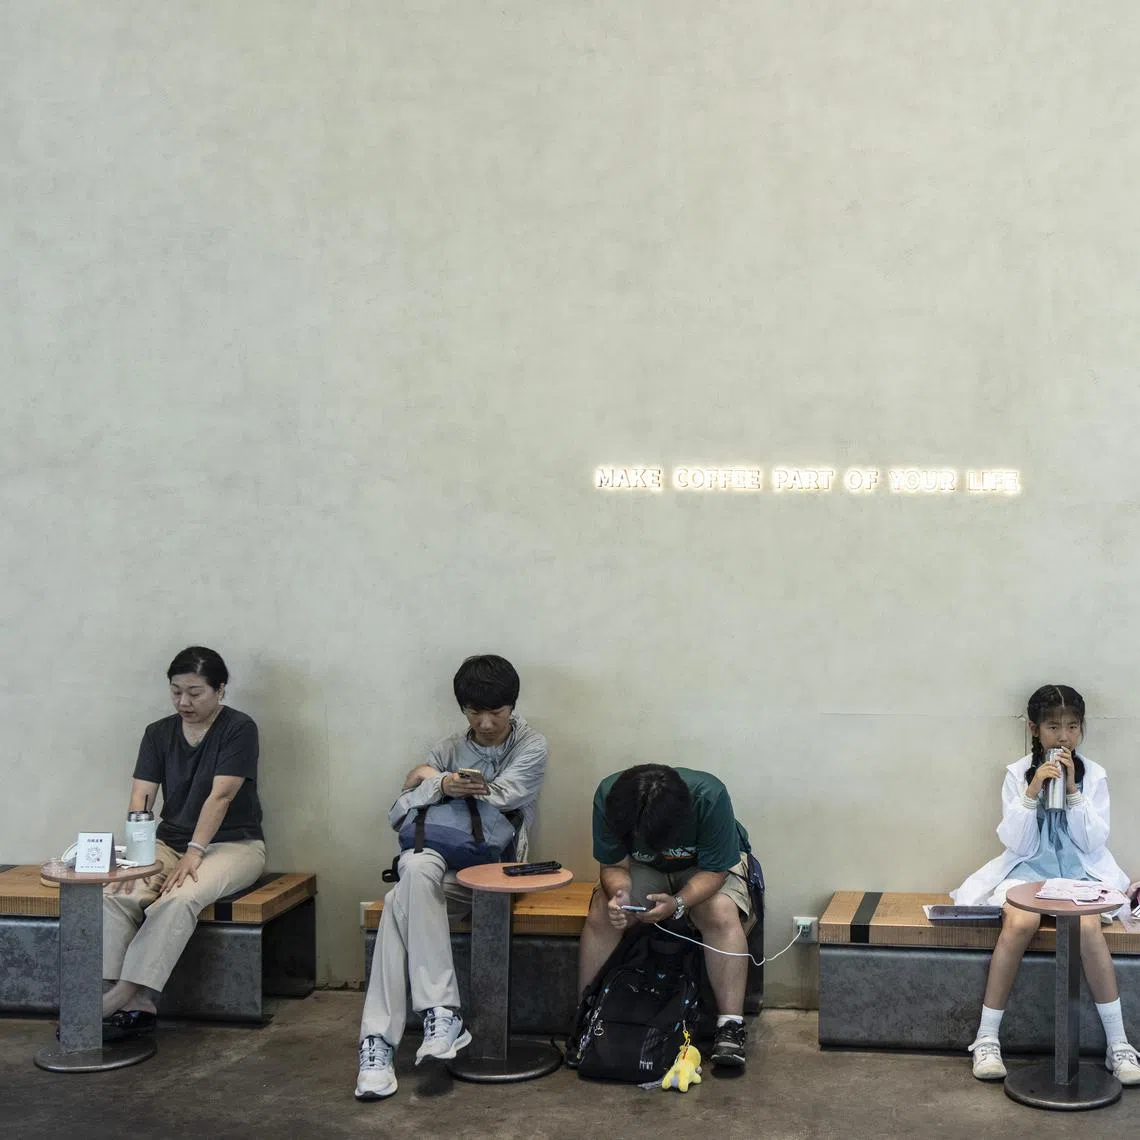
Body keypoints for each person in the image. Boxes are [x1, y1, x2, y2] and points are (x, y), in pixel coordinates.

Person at [355, 654, 547, 1101]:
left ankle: (378, 1043)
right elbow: (398, 812)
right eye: (473, 712)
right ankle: (440, 1012)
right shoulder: (446, 747)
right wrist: (440, 784)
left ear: (511, 707)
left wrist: (431, 780)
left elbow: (504, 796)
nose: (484, 723)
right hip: (439, 867)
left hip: (496, 872)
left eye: (495, 713)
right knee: (415, 868)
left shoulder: (531, 744)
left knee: (399, 901)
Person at [951, 684, 1140, 1084]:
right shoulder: (1016, 774)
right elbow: (1016, 843)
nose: (1064, 737)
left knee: (1088, 927)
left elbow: (1093, 842)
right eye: (1053, 727)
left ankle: (1118, 1044)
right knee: (1019, 923)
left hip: (1080, 872)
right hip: (1028, 870)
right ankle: (986, 1039)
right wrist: (1033, 788)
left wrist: (1071, 790)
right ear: (1034, 728)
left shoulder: (1096, 774)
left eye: (1072, 727)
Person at [102, 647, 266, 1035]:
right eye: (176, 691)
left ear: (220, 690)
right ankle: (131, 1001)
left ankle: (121, 994)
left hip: (233, 844)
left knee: (178, 898)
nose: (184, 702)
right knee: (116, 893)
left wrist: (194, 852)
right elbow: (140, 798)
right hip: (168, 841)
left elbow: (221, 796)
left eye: (195, 692)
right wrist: (137, 856)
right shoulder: (158, 733)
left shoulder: (239, 728)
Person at [577, 764, 754, 1069]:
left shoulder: (708, 796)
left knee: (718, 912)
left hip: (705, 866)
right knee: (603, 913)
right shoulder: (610, 795)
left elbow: (715, 871)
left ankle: (730, 1026)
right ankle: (585, 1017)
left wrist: (678, 903)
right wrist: (618, 896)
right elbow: (614, 867)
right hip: (642, 868)